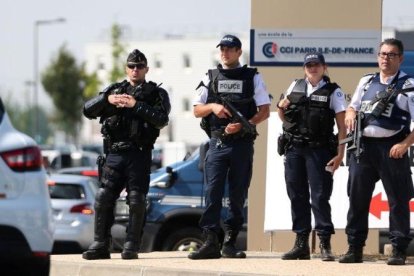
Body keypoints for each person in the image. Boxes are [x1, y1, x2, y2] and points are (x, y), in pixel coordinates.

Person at [82, 49, 171, 260]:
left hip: (139, 154)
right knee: (104, 197)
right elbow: (87, 110)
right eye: (132, 66)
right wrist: (107, 100)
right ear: (126, 68)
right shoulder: (115, 90)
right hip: (114, 154)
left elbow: (161, 119)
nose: (135, 70)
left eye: (140, 66)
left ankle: (132, 244)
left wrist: (135, 105)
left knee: (136, 199)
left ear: (146, 69)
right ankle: (101, 243)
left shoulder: (156, 94)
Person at [188, 34, 271, 260]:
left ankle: (230, 243)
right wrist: (213, 106)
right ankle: (210, 241)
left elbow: (264, 109)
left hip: (241, 143)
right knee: (212, 192)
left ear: (238, 52)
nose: (225, 53)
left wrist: (246, 124)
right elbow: (196, 109)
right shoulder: (210, 75)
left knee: (237, 194)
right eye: (222, 49)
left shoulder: (252, 76)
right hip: (217, 142)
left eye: (230, 49)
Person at [339, 38, 414, 266]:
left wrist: (405, 144)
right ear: (377, 57)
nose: (386, 58)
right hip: (363, 148)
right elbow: (354, 105)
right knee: (358, 199)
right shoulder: (367, 81)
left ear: (400, 58)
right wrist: (351, 112)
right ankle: (354, 248)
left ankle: (398, 249)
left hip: (393, 149)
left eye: (391, 54)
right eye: (383, 54)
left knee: (398, 201)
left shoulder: (409, 85)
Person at [276, 52, 347, 261]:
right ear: (304, 67)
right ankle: (301, 244)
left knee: (320, 196)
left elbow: (342, 127)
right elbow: (283, 115)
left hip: (320, 150)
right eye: (308, 65)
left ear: (324, 67)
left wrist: (340, 155)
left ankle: (325, 243)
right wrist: (281, 108)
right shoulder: (295, 86)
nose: (312, 68)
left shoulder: (334, 91)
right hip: (295, 149)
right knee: (296, 195)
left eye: (316, 64)